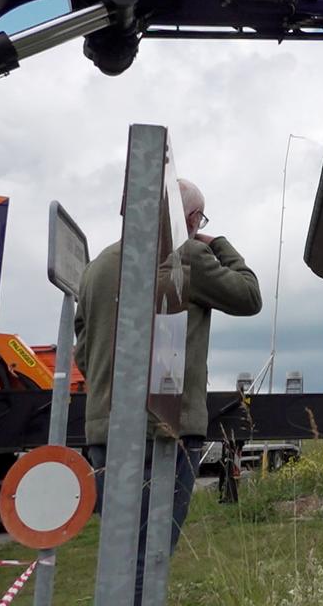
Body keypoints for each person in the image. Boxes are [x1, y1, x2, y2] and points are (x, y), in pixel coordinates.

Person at [76, 178, 262, 603]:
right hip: (167, 430)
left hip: (105, 431)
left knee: (118, 552)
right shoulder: (188, 255)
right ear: (191, 220)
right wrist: (220, 242)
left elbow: (82, 351)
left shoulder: (99, 266)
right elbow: (249, 295)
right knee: (151, 556)